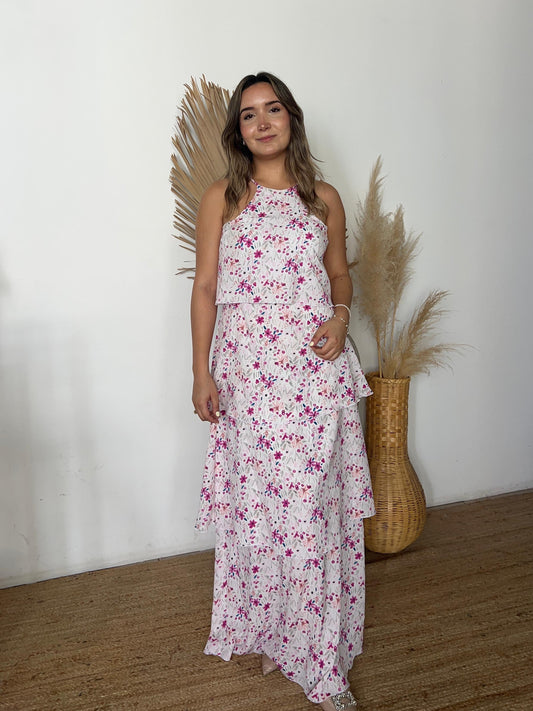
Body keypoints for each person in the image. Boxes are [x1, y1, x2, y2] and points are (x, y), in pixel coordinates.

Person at [191, 71, 375, 710]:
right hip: (249, 377)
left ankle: (322, 665)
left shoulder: (323, 197)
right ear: (238, 131)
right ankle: (280, 631)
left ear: (291, 118)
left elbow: (340, 275)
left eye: (273, 109)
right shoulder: (223, 197)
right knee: (264, 511)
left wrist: (340, 317)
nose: (263, 122)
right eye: (249, 114)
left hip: (315, 375)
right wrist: (200, 372)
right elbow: (205, 288)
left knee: (311, 513)